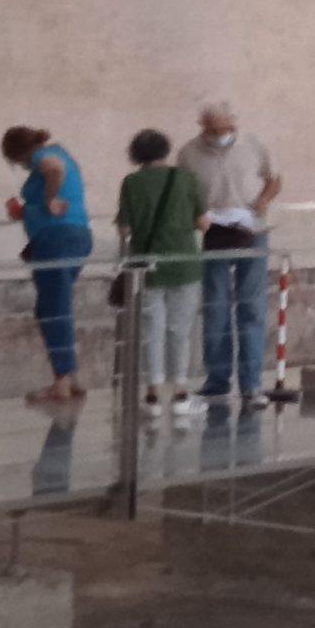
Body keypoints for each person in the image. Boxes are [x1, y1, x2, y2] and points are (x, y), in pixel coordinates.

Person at [178, 102, 281, 408]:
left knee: (251, 308)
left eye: (225, 128)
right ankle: (217, 380)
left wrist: (262, 201)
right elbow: (183, 191)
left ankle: (251, 384)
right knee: (216, 306)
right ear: (203, 127)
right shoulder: (188, 153)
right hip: (215, 233)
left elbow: (274, 179)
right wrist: (197, 214)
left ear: (233, 124)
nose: (220, 134)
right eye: (213, 130)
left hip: (252, 231)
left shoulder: (252, 145)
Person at [116, 129, 208, 417]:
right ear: (166, 150)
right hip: (184, 263)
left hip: (148, 267)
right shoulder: (187, 179)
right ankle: (180, 392)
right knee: (180, 331)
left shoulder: (131, 183)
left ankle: (153, 393)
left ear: (135, 154)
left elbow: (125, 229)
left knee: (152, 330)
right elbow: (203, 223)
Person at [2, 124, 91, 404]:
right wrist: (28, 211)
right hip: (77, 236)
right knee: (50, 306)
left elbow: (54, 171)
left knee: (54, 308)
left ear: (18, 153)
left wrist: (51, 200)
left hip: (56, 239)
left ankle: (62, 381)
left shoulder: (45, 156)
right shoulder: (60, 152)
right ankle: (70, 375)